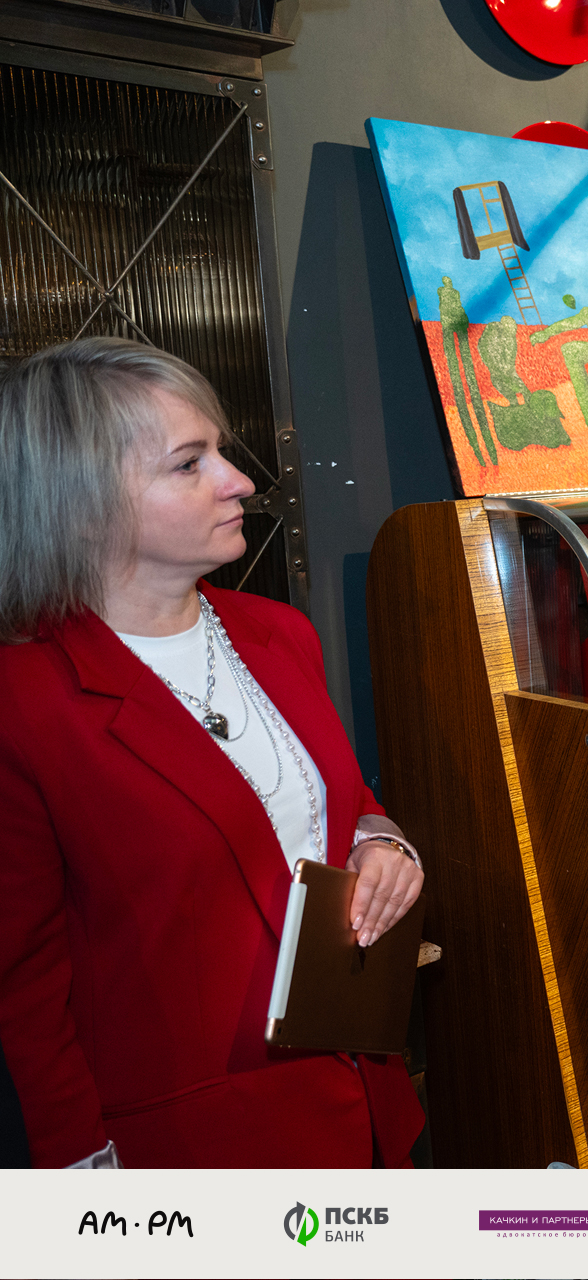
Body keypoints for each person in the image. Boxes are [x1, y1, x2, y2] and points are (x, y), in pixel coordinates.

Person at [0, 338, 426, 1168]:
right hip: (200, 1151)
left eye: (220, 452)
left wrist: (383, 843)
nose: (239, 481)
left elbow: (334, 806)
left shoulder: (278, 633)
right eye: (189, 464)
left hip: (363, 1103)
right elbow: (23, 986)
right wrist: (79, 1174)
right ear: (81, 504)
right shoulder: (26, 702)